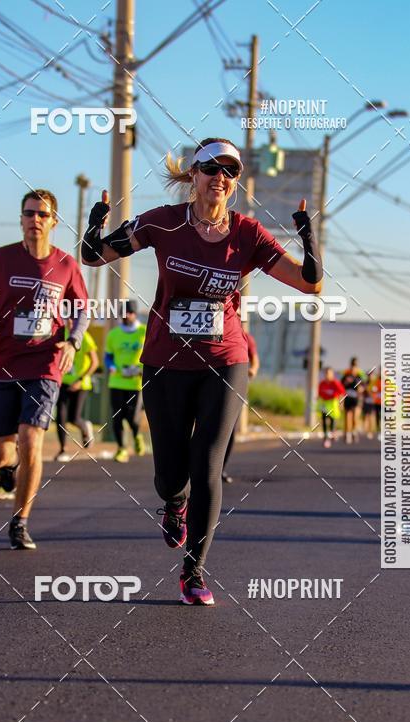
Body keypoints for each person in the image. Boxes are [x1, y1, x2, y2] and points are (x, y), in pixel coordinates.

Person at [82, 137, 323, 606]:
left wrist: (307, 237)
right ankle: (173, 505)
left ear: (234, 185)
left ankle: (194, 572)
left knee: (207, 463)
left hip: (224, 360)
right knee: (171, 474)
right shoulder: (163, 222)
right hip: (165, 360)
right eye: (211, 169)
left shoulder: (248, 234)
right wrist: (95, 224)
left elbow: (310, 284)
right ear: (193, 176)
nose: (220, 178)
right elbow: (95, 257)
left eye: (229, 172)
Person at [0, 189, 88, 549]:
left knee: (31, 440)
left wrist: (73, 341)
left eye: (42, 214)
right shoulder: (1, 259)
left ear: (54, 221)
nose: (35, 220)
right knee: (2, 450)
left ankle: (20, 522)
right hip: (1, 364)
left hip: (45, 363)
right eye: (29, 213)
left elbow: (82, 308)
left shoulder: (66, 265)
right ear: (21, 219)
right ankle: (5, 470)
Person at [104, 300, 147, 463]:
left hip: (135, 383)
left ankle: (136, 437)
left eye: (128, 313)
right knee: (117, 416)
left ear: (135, 314)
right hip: (116, 382)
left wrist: (142, 369)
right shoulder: (113, 334)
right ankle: (121, 448)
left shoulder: (143, 331)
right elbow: (108, 357)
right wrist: (112, 366)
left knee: (133, 417)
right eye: (122, 313)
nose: (125, 316)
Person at [54, 323, 99, 462]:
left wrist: (81, 379)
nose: (70, 321)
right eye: (68, 317)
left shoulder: (84, 337)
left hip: (80, 384)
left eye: (74, 318)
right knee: (60, 416)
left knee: (73, 418)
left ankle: (85, 427)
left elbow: (95, 362)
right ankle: (62, 449)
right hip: (62, 382)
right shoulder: (60, 335)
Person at [221, 327, 260, 483]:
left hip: (234, 387)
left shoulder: (246, 337)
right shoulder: (214, 330)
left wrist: (251, 371)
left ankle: (220, 468)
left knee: (229, 430)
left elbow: (255, 360)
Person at [317, 367, 345, 448]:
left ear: (332, 374)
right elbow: (319, 394)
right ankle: (326, 438)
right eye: (326, 373)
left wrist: (341, 403)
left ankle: (332, 434)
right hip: (324, 404)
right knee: (324, 420)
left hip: (333, 404)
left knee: (332, 420)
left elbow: (342, 393)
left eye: (329, 373)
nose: (327, 375)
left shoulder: (335, 383)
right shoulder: (322, 383)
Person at [341, 359, 363, 444]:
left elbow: (362, 387)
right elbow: (341, 386)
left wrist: (361, 389)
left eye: (355, 367)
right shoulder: (346, 375)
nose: (354, 369)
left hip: (356, 399)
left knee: (355, 418)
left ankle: (354, 432)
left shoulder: (359, 376)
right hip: (347, 398)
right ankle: (347, 434)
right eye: (352, 367)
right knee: (347, 417)